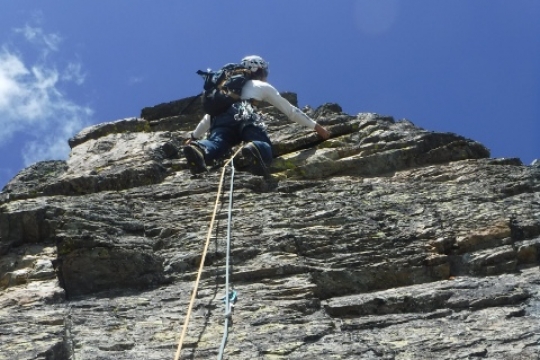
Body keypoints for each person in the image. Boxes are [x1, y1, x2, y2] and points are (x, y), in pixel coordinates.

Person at [184, 55, 330, 176]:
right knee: (262, 143)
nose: (265, 76)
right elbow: (291, 111)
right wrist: (316, 126)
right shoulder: (260, 86)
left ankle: (200, 149)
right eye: (264, 72)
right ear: (259, 70)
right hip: (246, 116)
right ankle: (255, 148)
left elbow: (209, 117)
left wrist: (193, 137)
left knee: (216, 143)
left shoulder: (225, 89)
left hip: (220, 120)